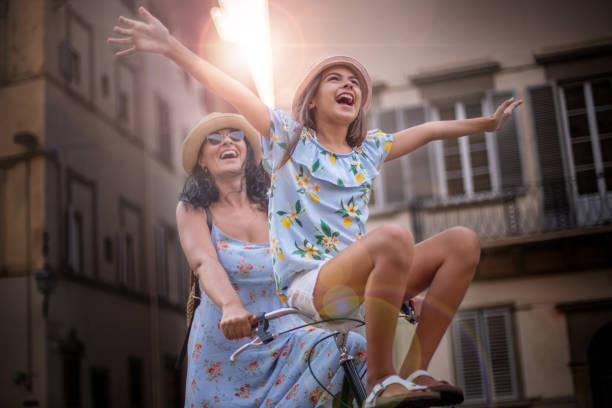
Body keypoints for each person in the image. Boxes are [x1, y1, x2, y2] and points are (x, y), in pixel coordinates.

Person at [109, 8, 522, 407]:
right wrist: (171, 47)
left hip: (356, 281)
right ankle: (381, 381)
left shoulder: (369, 151)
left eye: (356, 83)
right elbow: (234, 91)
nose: (350, 85)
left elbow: (429, 130)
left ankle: (415, 371)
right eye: (336, 79)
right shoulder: (288, 140)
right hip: (312, 286)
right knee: (393, 237)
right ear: (310, 101)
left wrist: (484, 125)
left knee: (462, 243)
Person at [176, 112, 366, 407]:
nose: (226, 141)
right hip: (226, 351)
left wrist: (394, 284)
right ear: (202, 159)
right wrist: (231, 306)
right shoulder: (194, 209)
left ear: (248, 152)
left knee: (355, 349)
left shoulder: (276, 202)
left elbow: (327, 254)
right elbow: (204, 262)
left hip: (288, 341)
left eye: (235, 135)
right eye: (214, 139)